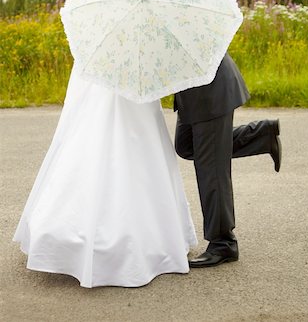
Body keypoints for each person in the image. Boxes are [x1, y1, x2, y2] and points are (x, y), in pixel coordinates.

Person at [12, 62, 197, 288]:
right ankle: (140, 240)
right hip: (116, 85)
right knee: (109, 147)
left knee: (127, 149)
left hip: (127, 88)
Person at [173, 52, 282, 268]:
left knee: (210, 168)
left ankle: (223, 243)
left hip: (209, 92)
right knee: (186, 146)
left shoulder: (176, 22)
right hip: (195, 94)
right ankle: (262, 135)